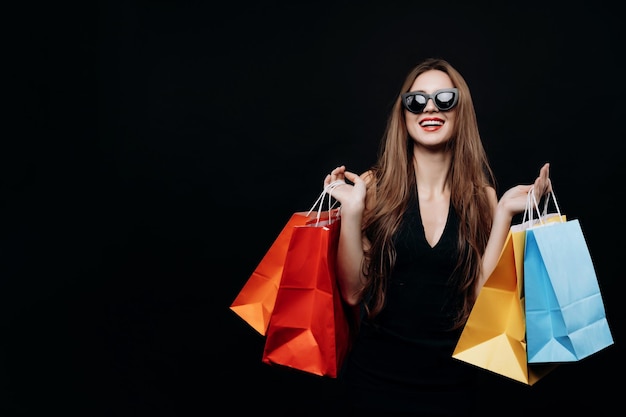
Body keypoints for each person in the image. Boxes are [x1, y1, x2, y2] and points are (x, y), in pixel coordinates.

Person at [323, 57, 551, 416]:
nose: (430, 107)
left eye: (445, 99)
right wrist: (351, 213)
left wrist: (505, 211)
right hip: (375, 385)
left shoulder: (483, 197)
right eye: (416, 100)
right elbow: (352, 293)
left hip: (456, 389)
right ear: (404, 114)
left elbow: (481, 303)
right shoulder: (372, 188)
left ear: (461, 111)